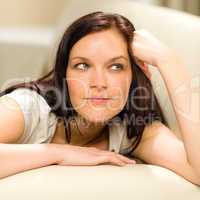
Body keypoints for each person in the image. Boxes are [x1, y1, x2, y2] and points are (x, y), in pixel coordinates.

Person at [0, 11, 200, 186]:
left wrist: (168, 60)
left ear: (134, 76)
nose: (99, 83)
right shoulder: (27, 108)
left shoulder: (132, 130)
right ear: (64, 76)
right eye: (83, 65)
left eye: (115, 66)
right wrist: (57, 153)